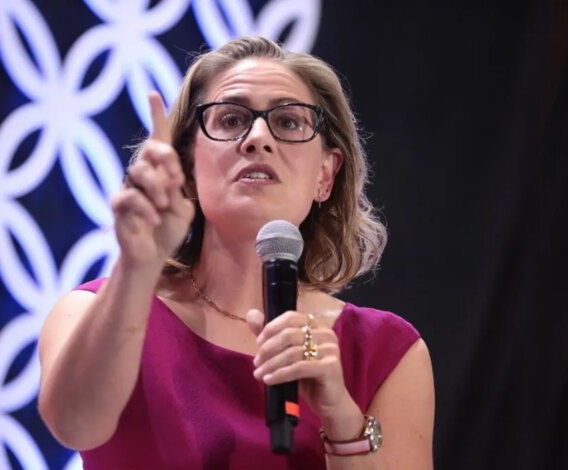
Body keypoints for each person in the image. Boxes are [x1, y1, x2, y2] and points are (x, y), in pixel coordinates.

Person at [38, 36, 434, 469]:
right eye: (230, 119)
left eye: (288, 122)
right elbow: (74, 426)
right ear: (188, 167)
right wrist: (137, 267)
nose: (258, 138)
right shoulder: (91, 311)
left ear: (326, 174)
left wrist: (341, 418)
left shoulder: (387, 353)